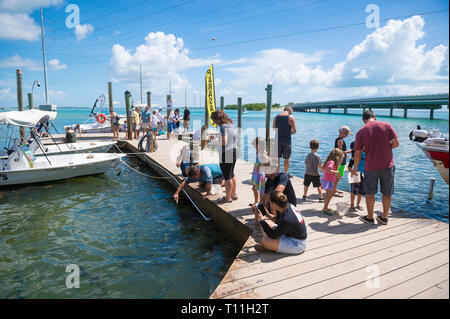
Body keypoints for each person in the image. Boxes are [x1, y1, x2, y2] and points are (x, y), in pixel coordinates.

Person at [352, 110, 399, 226]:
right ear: (375, 117)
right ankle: (384, 217)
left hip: (370, 168)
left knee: (370, 193)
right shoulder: (387, 125)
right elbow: (396, 143)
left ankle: (369, 217)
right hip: (387, 166)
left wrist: (355, 168)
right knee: (387, 193)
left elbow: (357, 153)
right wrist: (385, 149)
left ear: (363, 120)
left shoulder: (361, 132)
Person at [255, 191, 307, 255]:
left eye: (270, 202)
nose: (269, 203)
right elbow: (281, 222)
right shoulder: (287, 205)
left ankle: (269, 246)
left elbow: (273, 235)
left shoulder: (287, 219)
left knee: (265, 241)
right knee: (267, 222)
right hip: (289, 234)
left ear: (274, 204)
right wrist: (271, 216)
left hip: (297, 244)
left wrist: (261, 221)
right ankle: (271, 246)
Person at [211, 110, 238, 203]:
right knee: (232, 173)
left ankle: (228, 198)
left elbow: (224, 142)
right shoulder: (231, 124)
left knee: (227, 177)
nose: (214, 123)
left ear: (218, 120)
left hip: (226, 152)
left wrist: (213, 143)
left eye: (213, 121)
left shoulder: (223, 127)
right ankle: (234, 194)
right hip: (234, 150)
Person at [273, 105, 296, 177]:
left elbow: (274, 128)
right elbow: (294, 131)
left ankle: (277, 173)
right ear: (290, 110)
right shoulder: (291, 117)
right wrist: (289, 132)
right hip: (287, 141)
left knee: (277, 159)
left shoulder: (276, 117)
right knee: (287, 159)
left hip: (277, 140)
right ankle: (285, 174)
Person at [321, 148, 344, 215]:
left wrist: (335, 175)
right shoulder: (331, 162)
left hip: (328, 180)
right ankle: (325, 208)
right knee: (329, 195)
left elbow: (328, 171)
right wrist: (337, 172)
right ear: (337, 157)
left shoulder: (330, 162)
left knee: (330, 195)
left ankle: (325, 207)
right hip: (327, 181)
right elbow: (329, 170)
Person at [333, 126, 353, 198]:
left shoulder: (339, 139)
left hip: (341, 160)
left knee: (339, 175)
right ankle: (333, 191)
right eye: (346, 134)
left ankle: (334, 189)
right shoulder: (340, 140)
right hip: (339, 161)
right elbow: (340, 151)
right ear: (342, 133)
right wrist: (350, 151)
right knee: (337, 176)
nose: (347, 136)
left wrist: (346, 154)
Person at [250, 137, 270, 206]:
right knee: (254, 188)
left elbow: (268, 163)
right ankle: (256, 202)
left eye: (255, 145)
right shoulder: (258, 152)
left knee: (261, 191)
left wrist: (262, 167)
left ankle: (261, 204)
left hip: (261, 174)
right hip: (256, 173)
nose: (254, 147)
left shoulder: (263, 154)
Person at [348, 141, 365, 213]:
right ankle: (352, 205)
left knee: (361, 191)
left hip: (364, 174)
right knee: (353, 191)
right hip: (355, 175)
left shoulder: (366, 154)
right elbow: (349, 167)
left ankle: (358, 204)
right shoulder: (354, 156)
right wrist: (353, 172)